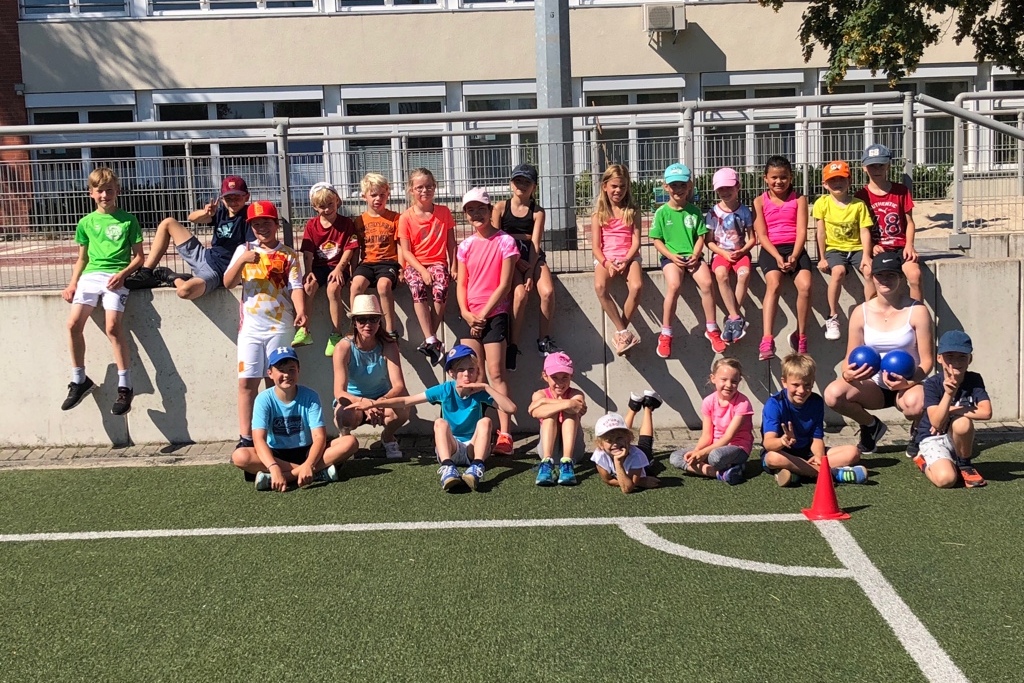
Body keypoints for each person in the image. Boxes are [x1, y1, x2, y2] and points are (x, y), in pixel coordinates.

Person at [823, 251, 934, 457]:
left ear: (901, 277)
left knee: (916, 405)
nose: (885, 280)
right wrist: (848, 374)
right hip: (873, 386)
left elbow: (927, 361)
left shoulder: (917, 310)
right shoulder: (860, 312)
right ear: (872, 277)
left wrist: (908, 383)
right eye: (880, 275)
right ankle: (871, 425)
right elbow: (849, 360)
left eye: (891, 275)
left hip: (908, 386)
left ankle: (919, 428)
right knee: (833, 395)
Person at [368, 345, 516, 492]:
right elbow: (407, 401)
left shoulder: (480, 392)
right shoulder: (445, 389)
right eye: (461, 370)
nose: (466, 374)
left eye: (471, 369)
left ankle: (476, 467)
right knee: (440, 423)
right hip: (451, 447)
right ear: (451, 373)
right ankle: (448, 468)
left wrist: (486, 387)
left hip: (473, 449)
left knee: (486, 422)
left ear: (477, 371)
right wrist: (375, 403)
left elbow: (511, 409)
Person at [222, 200, 306, 450]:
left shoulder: (288, 254)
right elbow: (228, 282)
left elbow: (297, 287)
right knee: (247, 382)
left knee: (277, 381)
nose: (261, 228)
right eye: (256, 224)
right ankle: (245, 438)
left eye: (266, 223)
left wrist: (301, 311)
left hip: (280, 326)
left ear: (276, 224)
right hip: (250, 329)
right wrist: (242, 261)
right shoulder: (244, 249)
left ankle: (275, 437)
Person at [61, 166, 144, 416]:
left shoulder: (128, 219)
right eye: (100, 191)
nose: (105, 195)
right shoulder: (86, 222)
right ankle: (79, 380)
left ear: (117, 191)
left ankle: (125, 386)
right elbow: (82, 258)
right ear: (91, 193)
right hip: (90, 277)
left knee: (112, 327)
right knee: (73, 324)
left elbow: (139, 258)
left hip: (115, 277)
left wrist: (123, 274)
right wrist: (73, 282)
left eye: (109, 190)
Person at [230, 346, 358, 492]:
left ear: (298, 370)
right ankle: (317, 473)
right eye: (281, 370)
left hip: (308, 452)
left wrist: (309, 464)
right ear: (270, 373)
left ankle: (284, 477)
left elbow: (319, 437)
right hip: (277, 455)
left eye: (291, 369)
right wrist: (274, 467)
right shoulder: (263, 399)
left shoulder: (310, 396)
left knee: (350, 442)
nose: (286, 375)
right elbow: (259, 439)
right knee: (240, 456)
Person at [456, 187, 519, 456]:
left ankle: (505, 433)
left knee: (495, 373)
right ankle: (478, 430)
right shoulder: (466, 245)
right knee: (472, 375)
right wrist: (467, 313)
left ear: (490, 210)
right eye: (470, 210)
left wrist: (483, 314)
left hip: (495, 316)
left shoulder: (506, 241)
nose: (476, 214)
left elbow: (505, 283)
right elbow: (461, 284)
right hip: (471, 318)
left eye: (480, 209)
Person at [125, 174, 252, 299]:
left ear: (246, 197)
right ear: (222, 199)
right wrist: (205, 212)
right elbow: (192, 218)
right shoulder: (220, 212)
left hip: (216, 272)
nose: (233, 202)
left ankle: (173, 277)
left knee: (184, 291)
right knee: (168, 223)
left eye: (238, 198)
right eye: (229, 198)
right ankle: (146, 273)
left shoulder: (249, 216)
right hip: (203, 256)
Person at [492, 163, 562, 370]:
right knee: (520, 295)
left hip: (532, 258)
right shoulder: (500, 208)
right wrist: (515, 259)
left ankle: (543, 339)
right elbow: (496, 239)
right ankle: (513, 345)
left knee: (548, 292)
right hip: (509, 259)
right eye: (518, 181)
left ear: (534, 187)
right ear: (511, 183)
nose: (521, 185)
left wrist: (530, 271)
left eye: (526, 182)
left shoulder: (537, 211)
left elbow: (535, 244)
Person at [761, 354, 868, 487]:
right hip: (783, 453)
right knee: (772, 458)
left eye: (807, 385)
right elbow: (768, 444)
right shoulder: (774, 404)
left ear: (813, 382)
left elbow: (817, 437)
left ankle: (798, 473)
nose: (801, 390)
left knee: (853, 452)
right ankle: (834, 475)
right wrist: (782, 441)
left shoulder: (816, 401)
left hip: (807, 453)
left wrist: (818, 456)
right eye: (795, 385)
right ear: (784, 382)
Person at [651, 162, 722, 357]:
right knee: (674, 285)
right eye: (674, 185)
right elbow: (657, 240)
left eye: (682, 185)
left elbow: (701, 236)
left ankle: (712, 328)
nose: (678, 189)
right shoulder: (661, 213)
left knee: (707, 283)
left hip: (693, 256)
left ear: (689, 185)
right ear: (666, 186)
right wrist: (671, 256)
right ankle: (665, 333)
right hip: (671, 258)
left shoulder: (695, 211)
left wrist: (696, 254)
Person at [331, 294, 411, 459]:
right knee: (344, 415)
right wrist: (363, 403)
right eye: (362, 319)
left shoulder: (388, 345)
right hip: (354, 401)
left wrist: (376, 402)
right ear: (354, 322)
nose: (368, 324)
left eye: (373, 319)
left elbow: (399, 386)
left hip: (381, 398)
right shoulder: (343, 348)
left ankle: (388, 437)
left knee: (403, 408)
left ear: (379, 321)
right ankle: (345, 441)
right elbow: (339, 392)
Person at [912, 330, 991, 488]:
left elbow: (986, 412)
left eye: (962, 356)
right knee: (946, 480)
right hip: (932, 438)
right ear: (939, 358)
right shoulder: (932, 384)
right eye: (950, 356)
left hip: (956, 438)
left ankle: (965, 465)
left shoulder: (974, 379)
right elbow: (936, 421)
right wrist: (949, 393)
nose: (956, 362)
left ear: (970, 359)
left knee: (963, 423)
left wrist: (952, 410)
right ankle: (923, 460)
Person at [753, 155, 812, 360]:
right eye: (774, 177)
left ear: (791, 178)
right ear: (765, 178)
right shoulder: (760, 201)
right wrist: (778, 257)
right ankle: (767, 338)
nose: (779, 182)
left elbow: (802, 231)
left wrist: (795, 255)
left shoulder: (799, 199)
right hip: (772, 250)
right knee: (774, 284)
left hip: (795, 248)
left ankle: (801, 335)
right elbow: (761, 234)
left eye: (784, 177)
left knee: (805, 286)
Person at [397, 167, 456, 367]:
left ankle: (430, 339)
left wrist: (453, 265)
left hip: (438, 262)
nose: (425, 191)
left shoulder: (444, 212)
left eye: (429, 186)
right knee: (417, 287)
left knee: (442, 287)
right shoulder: (405, 217)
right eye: (420, 187)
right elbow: (406, 251)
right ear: (411, 190)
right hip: (415, 263)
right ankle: (431, 339)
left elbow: (451, 243)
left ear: (435, 187)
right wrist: (421, 270)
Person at [295, 181, 359, 355]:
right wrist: (308, 272)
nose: (327, 209)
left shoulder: (346, 223)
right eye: (322, 206)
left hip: (338, 266)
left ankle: (336, 334)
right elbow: (308, 252)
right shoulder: (311, 225)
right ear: (315, 207)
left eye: (330, 204)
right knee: (308, 287)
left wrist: (340, 269)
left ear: (337, 201)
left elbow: (349, 249)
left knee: (333, 289)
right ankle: (304, 330)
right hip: (319, 267)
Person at [813, 160, 874, 341]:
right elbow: (820, 232)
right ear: (825, 184)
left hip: (855, 248)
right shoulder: (822, 204)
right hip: (835, 249)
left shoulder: (858, 205)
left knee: (870, 271)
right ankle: (832, 316)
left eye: (841, 179)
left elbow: (864, 231)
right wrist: (822, 257)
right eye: (832, 180)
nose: (837, 183)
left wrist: (866, 255)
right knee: (838, 271)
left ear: (850, 180)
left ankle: (871, 312)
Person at [668, 358, 753, 485]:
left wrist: (702, 453)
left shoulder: (743, 403)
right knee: (676, 457)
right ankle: (721, 473)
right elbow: (707, 435)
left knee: (715, 457)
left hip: (736, 447)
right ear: (713, 378)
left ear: (739, 381)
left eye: (734, 381)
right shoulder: (708, 401)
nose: (729, 385)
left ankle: (734, 464)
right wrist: (696, 452)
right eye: (724, 380)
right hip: (712, 446)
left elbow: (728, 437)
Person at [855, 144, 923, 302]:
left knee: (915, 275)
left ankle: (916, 317)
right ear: (864, 168)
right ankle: (872, 317)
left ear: (888, 165)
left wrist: (909, 245)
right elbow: (860, 228)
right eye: (872, 166)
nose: (877, 169)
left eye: (881, 165)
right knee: (869, 272)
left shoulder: (901, 191)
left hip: (899, 247)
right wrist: (871, 246)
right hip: (877, 249)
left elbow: (910, 222)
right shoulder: (861, 195)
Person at [591, 164, 643, 356]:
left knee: (636, 287)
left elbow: (636, 241)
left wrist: (627, 260)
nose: (618, 191)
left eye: (622, 186)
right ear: (605, 186)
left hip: (629, 256)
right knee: (600, 287)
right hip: (607, 258)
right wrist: (606, 263)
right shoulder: (598, 215)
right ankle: (623, 332)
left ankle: (621, 332)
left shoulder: (632, 211)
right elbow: (596, 247)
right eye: (614, 186)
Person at [705, 167, 755, 345]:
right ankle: (736, 317)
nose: (725, 192)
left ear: (738, 187)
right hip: (721, 253)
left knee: (744, 274)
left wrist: (743, 251)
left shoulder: (745, 211)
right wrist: (723, 252)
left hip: (740, 252)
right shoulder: (713, 213)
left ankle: (732, 319)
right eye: (721, 189)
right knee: (720, 275)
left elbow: (752, 238)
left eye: (729, 188)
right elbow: (709, 241)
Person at [351, 172, 403, 343]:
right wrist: (352, 270)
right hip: (367, 263)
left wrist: (402, 267)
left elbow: (400, 245)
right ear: (364, 196)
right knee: (356, 286)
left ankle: (390, 328)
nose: (378, 199)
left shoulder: (395, 218)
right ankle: (355, 326)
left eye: (382, 194)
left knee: (383, 286)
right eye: (373, 195)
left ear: (388, 194)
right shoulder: (359, 221)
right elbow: (356, 248)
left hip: (388, 262)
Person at [527, 351, 587, 486]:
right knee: (550, 415)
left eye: (565, 377)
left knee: (569, 413)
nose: (560, 383)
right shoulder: (540, 394)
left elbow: (575, 407)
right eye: (555, 377)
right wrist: (568, 403)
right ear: (545, 376)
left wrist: (544, 402)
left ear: (572, 376)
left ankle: (567, 463)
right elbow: (537, 413)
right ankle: (546, 464)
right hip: (548, 451)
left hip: (574, 452)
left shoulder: (576, 393)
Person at [591, 392, 663, 494]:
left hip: (640, 454)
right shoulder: (599, 454)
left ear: (630, 439)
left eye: (618, 438)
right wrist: (641, 482)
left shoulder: (637, 456)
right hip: (625, 449)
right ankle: (634, 406)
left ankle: (648, 407)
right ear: (600, 445)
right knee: (621, 432)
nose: (615, 443)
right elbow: (608, 480)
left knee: (644, 445)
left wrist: (618, 462)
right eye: (609, 440)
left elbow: (627, 488)